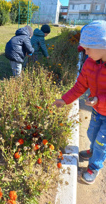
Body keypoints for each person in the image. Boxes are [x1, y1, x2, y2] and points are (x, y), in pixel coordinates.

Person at [52, 20, 106, 185]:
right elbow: (80, 86)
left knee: (101, 142)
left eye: (88, 48)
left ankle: (94, 166)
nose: (86, 53)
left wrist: (98, 99)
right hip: (98, 111)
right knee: (91, 134)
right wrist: (64, 100)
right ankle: (93, 150)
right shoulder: (89, 63)